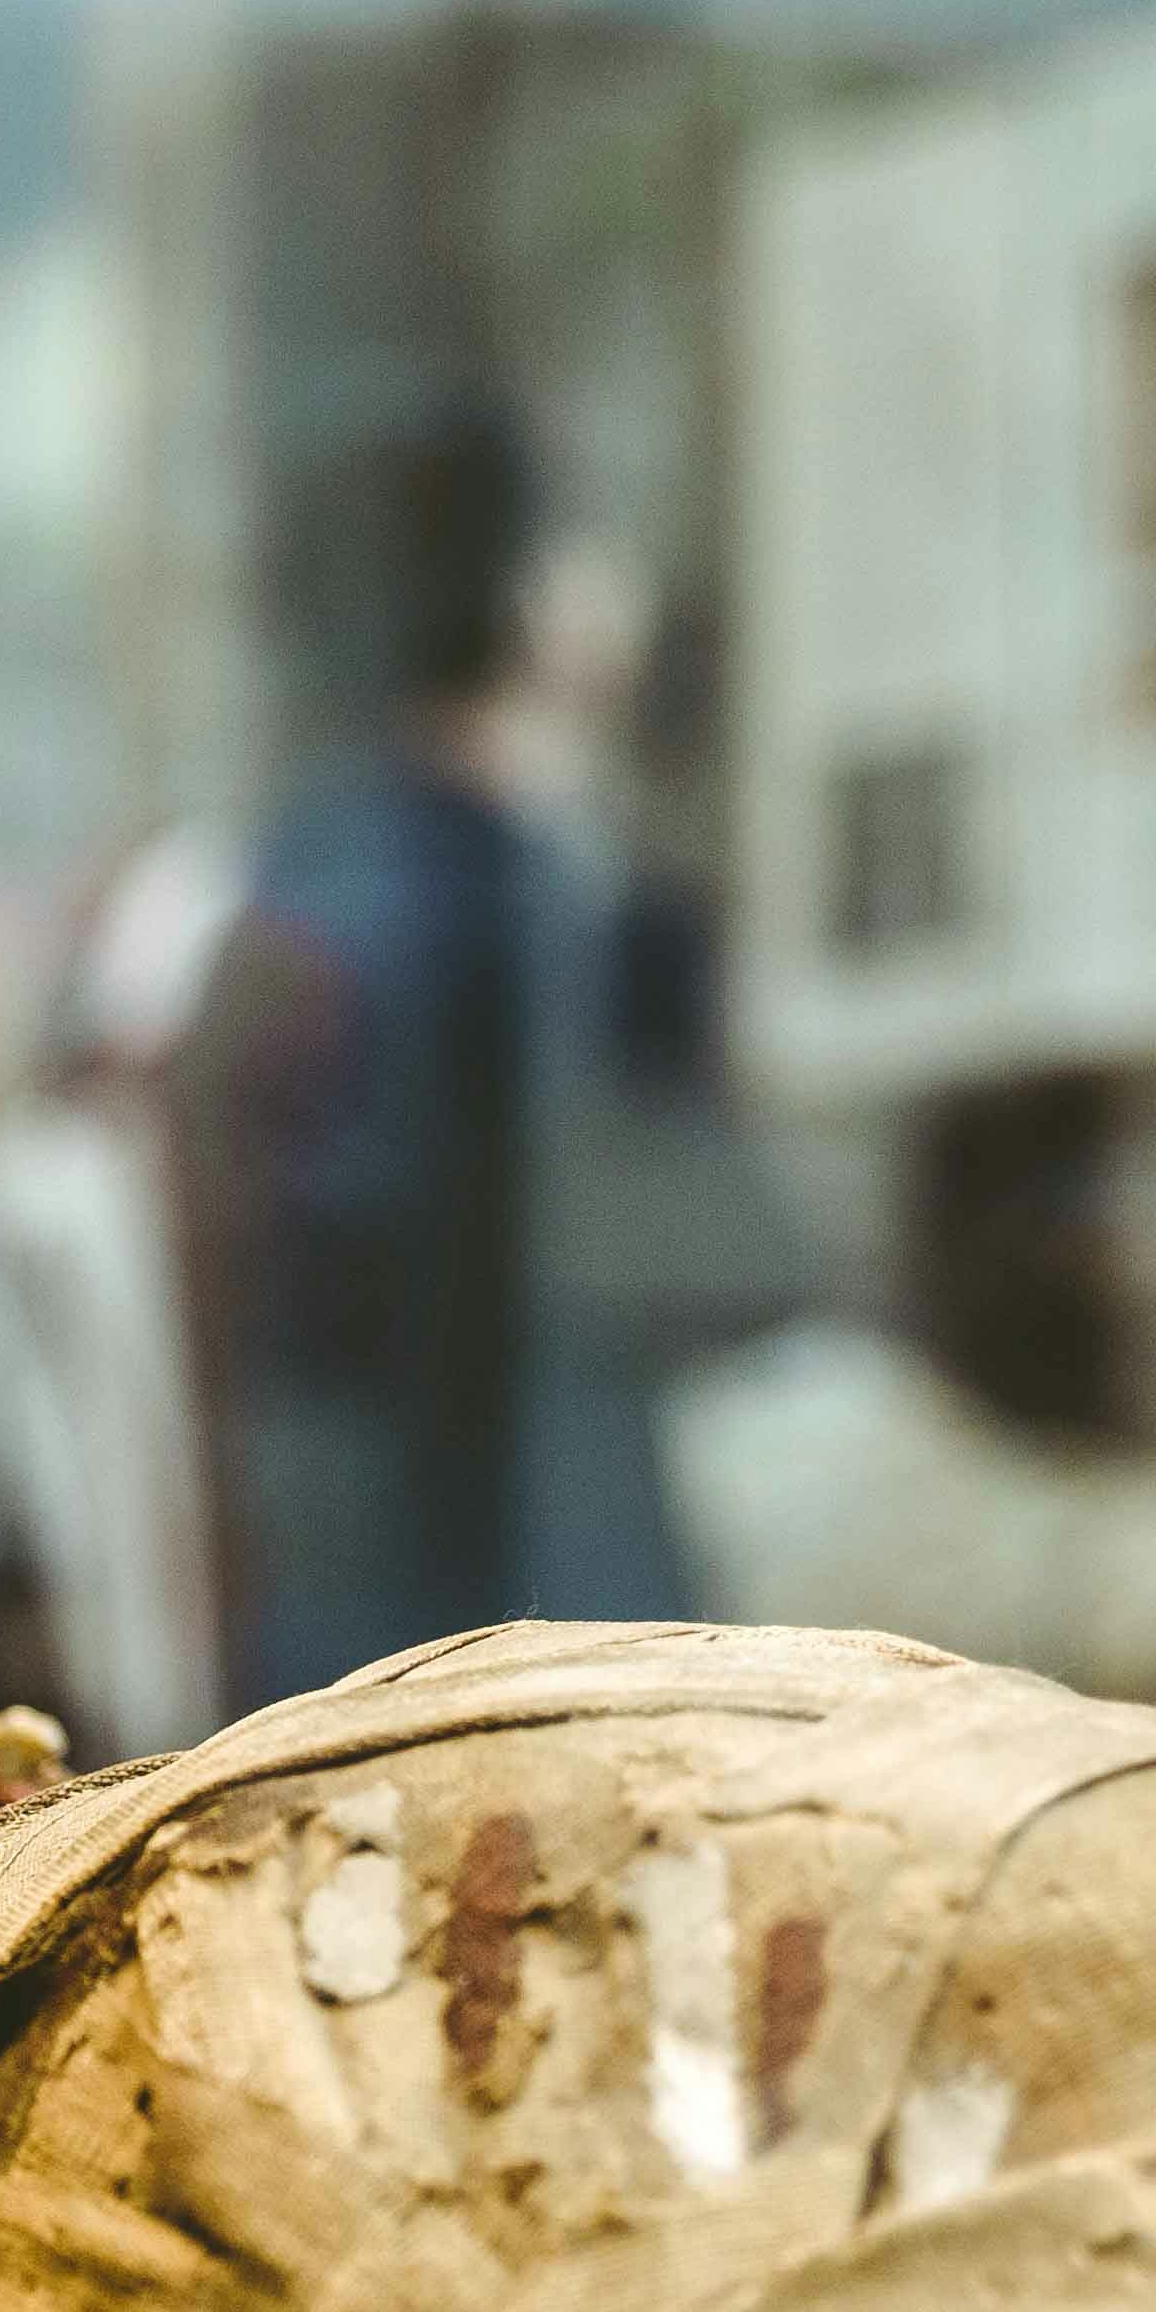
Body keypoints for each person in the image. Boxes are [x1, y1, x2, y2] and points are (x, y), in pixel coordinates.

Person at [173, 399, 733, 1700]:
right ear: (535, 600)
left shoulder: (300, 879)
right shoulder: (534, 919)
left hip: (344, 1587)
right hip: (497, 1596)